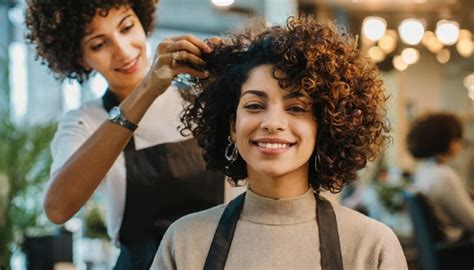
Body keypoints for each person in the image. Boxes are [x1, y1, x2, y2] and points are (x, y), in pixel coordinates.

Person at [156, 16, 408, 269]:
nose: (272, 122)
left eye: (296, 108)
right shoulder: (185, 241)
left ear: (326, 126)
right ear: (232, 126)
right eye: (255, 106)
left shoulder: (371, 246)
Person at [25, 0, 228, 268]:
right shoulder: (84, 123)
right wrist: (148, 88)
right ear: (79, 58)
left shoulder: (201, 96)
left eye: (127, 27)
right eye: (99, 44)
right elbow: (57, 208)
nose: (122, 50)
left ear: (142, 21)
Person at [407, 112, 474, 241]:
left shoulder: (423, 170)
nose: (460, 143)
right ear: (446, 140)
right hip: (459, 251)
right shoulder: (444, 176)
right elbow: (472, 221)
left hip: (443, 252)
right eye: (457, 137)